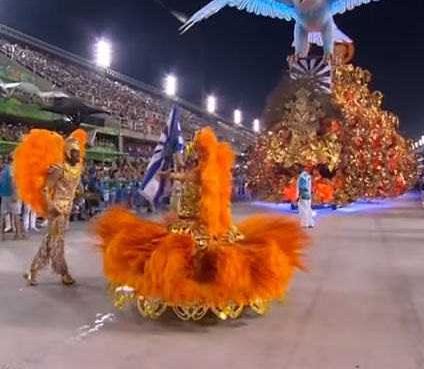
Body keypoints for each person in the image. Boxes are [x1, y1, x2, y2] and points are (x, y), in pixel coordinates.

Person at [94, 127, 308, 321]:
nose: (195, 152)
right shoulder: (207, 168)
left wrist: (172, 175)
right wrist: (173, 174)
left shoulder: (208, 171)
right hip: (189, 219)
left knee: (200, 254)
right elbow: (189, 179)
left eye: (197, 149)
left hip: (204, 223)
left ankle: (204, 287)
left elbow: (192, 178)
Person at [12, 128, 87, 285]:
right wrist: (51, 206)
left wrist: (82, 194)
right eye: (73, 152)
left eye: (77, 152)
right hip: (57, 210)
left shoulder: (78, 168)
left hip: (67, 210)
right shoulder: (59, 169)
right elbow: (45, 189)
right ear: (66, 153)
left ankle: (33, 270)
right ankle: (63, 272)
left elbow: (74, 188)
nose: (77, 155)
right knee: (56, 241)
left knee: (50, 240)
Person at [0, 153, 24, 240]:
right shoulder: (12, 168)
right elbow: (12, 180)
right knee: (16, 214)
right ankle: (18, 234)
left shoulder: (3, 169)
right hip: (11, 194)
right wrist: (14, 193)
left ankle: (0, 234)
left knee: (3, 214)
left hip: (4, 193)